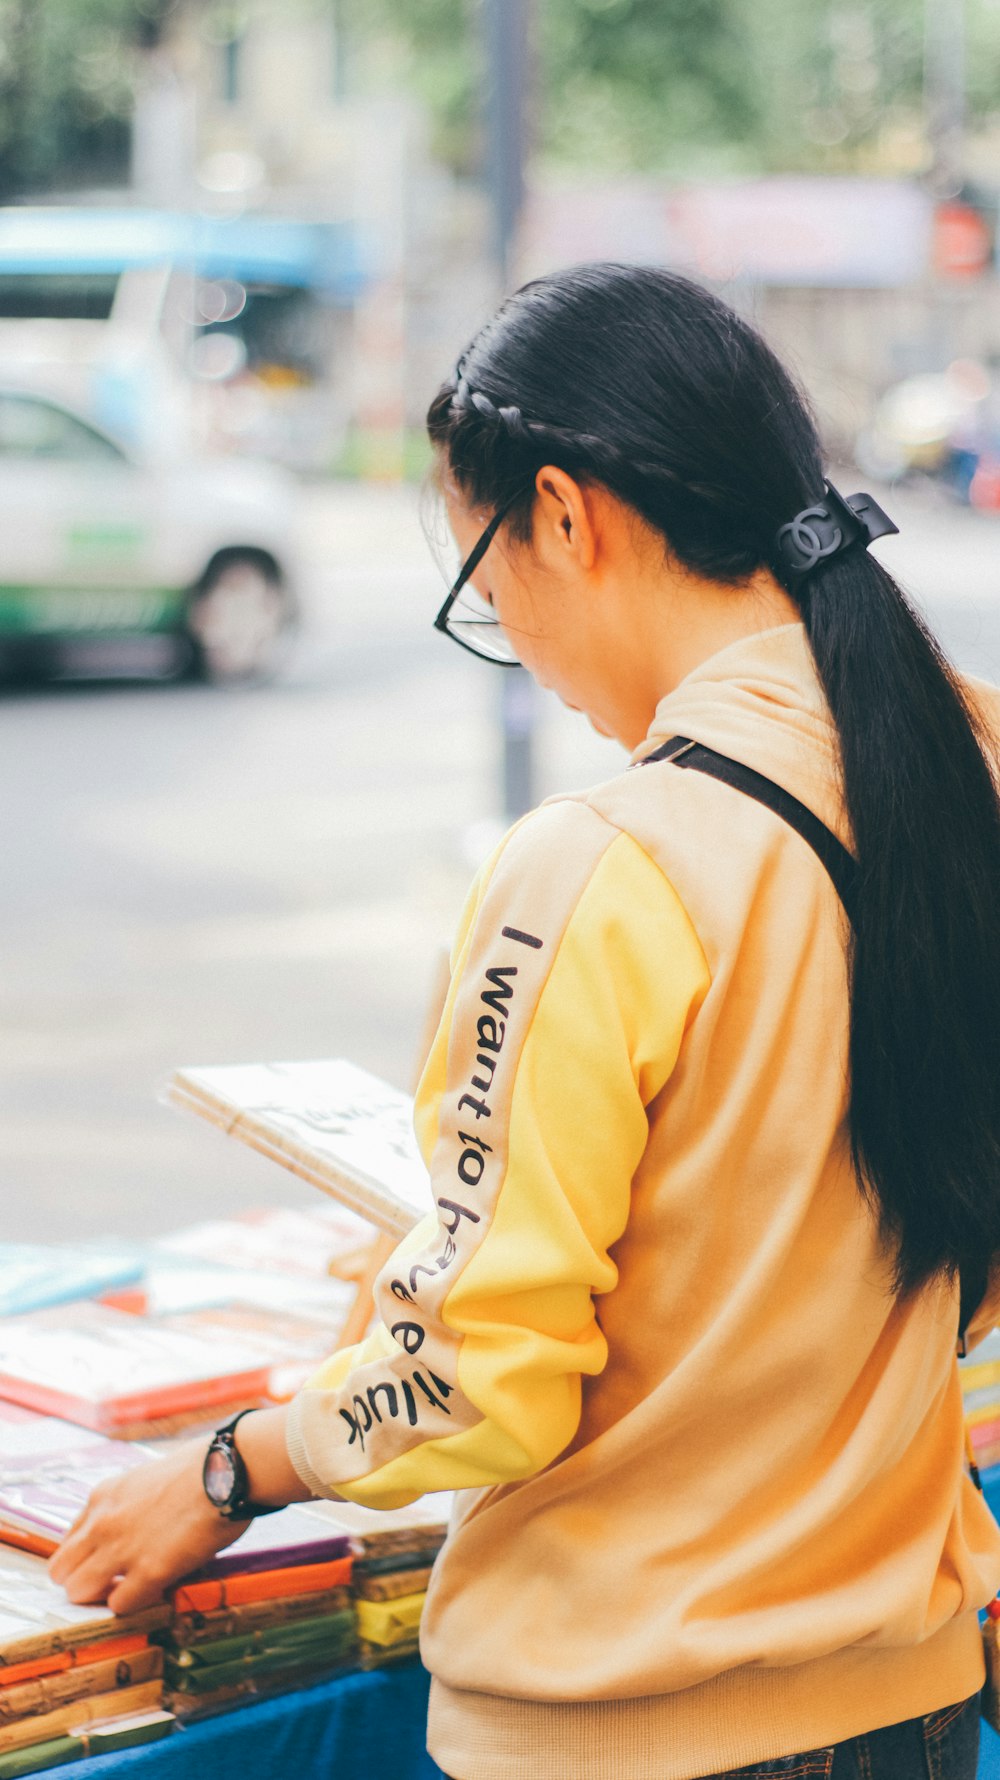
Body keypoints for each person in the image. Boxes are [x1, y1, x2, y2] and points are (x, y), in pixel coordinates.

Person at [51, 264, 1000, 1780]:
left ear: (565, 515)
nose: (527, 657)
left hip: (634, 1729)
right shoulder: (965, 769)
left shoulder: (606, 862)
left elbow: (477, 1379)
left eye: (489, 595)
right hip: (916, 1704)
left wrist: (236, 1466)